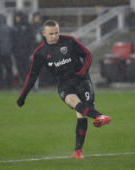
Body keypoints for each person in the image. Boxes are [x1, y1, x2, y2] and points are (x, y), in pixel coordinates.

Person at [16, 20, 111, 159]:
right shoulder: (40, 52)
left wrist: (83, 72)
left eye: (56, 33)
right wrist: (23, 95)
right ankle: (99, 116)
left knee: (82, 113)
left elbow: (88, 55)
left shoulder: (70, 41)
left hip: (82, 81)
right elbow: (32, 75)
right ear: (44, 33)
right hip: (64, 84)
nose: (54, 36)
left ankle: (78, 151)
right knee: (73, 102)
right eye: (51, 34)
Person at [12, 11, 33, 86]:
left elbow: (31, 39)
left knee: (27, 68)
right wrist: (14, 51)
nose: (16, 18)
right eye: (16, 17)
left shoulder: (27, 26)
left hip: (26, 52)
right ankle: (24, 82)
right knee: (20, 68)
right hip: (18, 53)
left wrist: (30, 50)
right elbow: (13, 40)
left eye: (17, 17)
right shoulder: (15, 27)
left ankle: (29, 83)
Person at [0, 14, 13, 89]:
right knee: (9, 68)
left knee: (0, 69)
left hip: (0, 52)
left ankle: (1, 85)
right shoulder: (9, 29)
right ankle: (9, 84)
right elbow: (12, 40)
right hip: (8, 52)